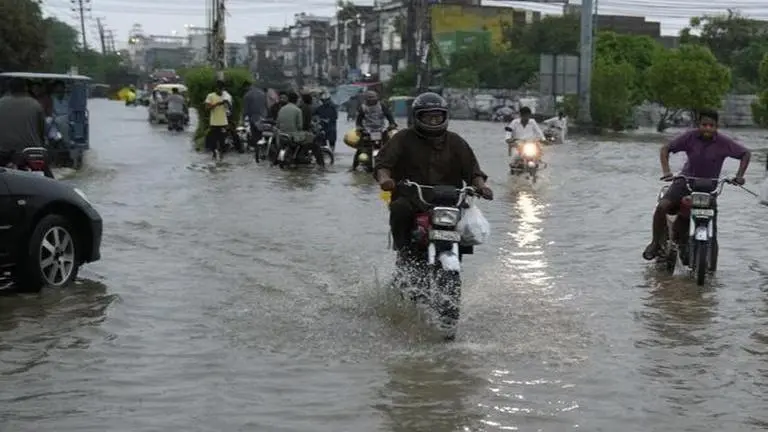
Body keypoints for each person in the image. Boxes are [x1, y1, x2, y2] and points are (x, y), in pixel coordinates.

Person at [374, 92, 493, 263]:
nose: (433, 121)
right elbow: (383, 165)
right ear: (417, 117)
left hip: (449, 200)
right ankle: (404, 251)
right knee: (399, 208)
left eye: (437, 117)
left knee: (464, 224)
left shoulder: (455, 141)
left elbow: (473, 171)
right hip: (412, 197)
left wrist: (482, 187)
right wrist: (385, 180)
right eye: (429, 117)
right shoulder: (402, 138)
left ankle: (456, 251)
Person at [643, 109, 751, 260]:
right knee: (662, 207)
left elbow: (745, 153)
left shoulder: (724, 142)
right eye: (704, 124)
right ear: (698, 125)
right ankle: (655, 243)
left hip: (709, 188)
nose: (707, 128)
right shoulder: (690, 137)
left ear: (716, 126)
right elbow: (665, 149)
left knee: (712, 222)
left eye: (711, 125)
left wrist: (739, 176)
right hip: (684, 182)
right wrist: (667, 172)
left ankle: (710, 263)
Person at [0, 78, 46, 168]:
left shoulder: (1, 103)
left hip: (3, 152)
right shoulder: (35, 104)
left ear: (9, 89)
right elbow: (41, 130)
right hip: (30, 151)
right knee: (47, 176)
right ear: (25, 88)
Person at [277, 91, 324, 168]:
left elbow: (278, 124)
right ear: (296, 100)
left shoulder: (282, 109)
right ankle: (321, 166)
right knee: (314, 143)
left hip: (282, 135)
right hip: (294, 136)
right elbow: (300, 126)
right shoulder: (297, 110)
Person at [204, 80, 230, 160]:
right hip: (214, 122)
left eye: (222, 89)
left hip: (223, 122)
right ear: (216, 88)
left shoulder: (226, 96)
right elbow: (207, 108)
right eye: (219, 88)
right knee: (213, 139)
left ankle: (222, 154)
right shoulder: (210, 96)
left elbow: (230, 109)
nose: (220, 90)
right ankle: (214, 152)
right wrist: (216, 104)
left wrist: (227, 104)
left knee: (223, 139)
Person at [243, 84, 268, 159]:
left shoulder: (247, 95)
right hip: (263, 117)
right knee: (262, 134)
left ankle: (256, 149)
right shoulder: (262, 93)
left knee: (255, 135)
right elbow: (266, 105)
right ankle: (262, 150)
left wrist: (243, 118)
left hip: (253, 117)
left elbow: (246, 110)